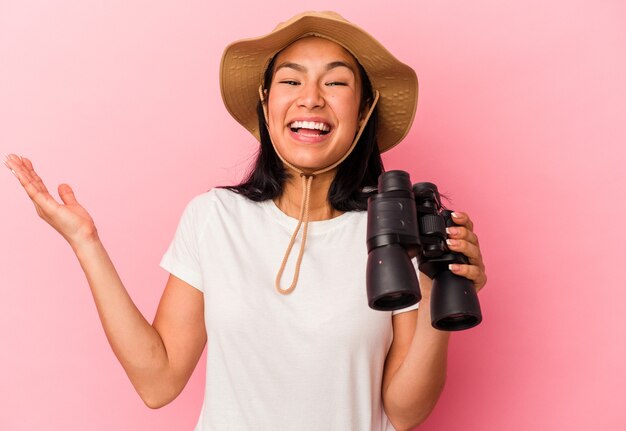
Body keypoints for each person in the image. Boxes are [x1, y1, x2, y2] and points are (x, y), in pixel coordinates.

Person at [4, 11, 487, 431]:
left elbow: (405, 412)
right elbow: (158, 381)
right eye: (291, 81)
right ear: (266, 102)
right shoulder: (214, 218)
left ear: (363, 112)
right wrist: (86, 242)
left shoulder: (394, 237)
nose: (311, 99)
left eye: (336, 82)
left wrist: (439, 292)